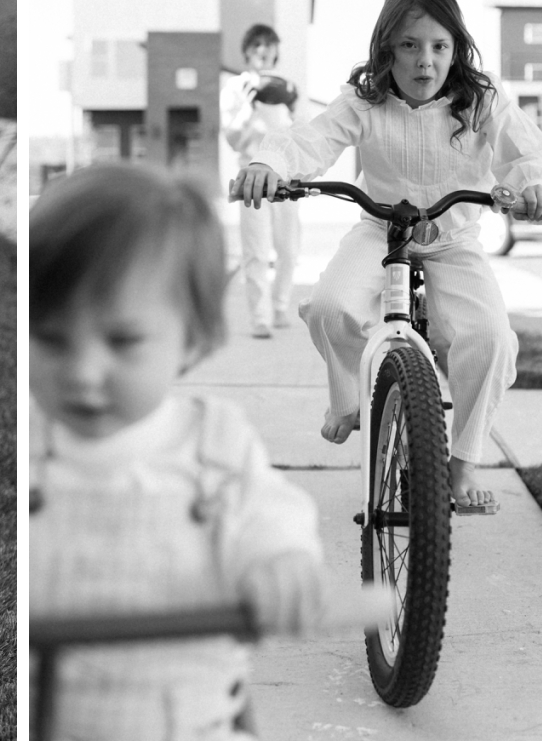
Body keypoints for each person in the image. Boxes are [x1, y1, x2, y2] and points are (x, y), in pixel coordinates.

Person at [28, 162, 335, 740]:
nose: (83, 371)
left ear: (191, 337)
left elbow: (270, 518)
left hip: (189, 723)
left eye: (122, 340)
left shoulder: (214, 447)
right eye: (50, 338)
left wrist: (281, 564)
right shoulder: (32, 441)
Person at [235, 0, 542, 511]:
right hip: (380, 229)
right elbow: (311, 140)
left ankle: (462, 465)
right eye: (409, 46)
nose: (425, 62)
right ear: (387, 49)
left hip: (454, 238)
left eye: (438, 46)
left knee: (491, 339)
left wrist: (538, 185)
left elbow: (528, 151)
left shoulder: (480, 99)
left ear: (456, 50)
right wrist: (268, 165)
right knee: (329, 306)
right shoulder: (364, 99)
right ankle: (350, 400)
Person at [220, 24, 304, 338]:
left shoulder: (287, 86)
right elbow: (232, 138)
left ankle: (281, 305)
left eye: (268, 45)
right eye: (256, 45)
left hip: (285, 180)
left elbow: (299, 133)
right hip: (250, 177)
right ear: (246, 52)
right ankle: (260, 317)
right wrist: (247, 106)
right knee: (256, 250)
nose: (262, 50)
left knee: (289, 248)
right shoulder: (235, 88)